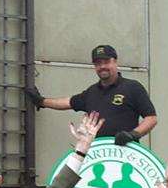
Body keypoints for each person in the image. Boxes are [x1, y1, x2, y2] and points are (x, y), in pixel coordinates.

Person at [25, 44, 157, 145]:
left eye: (106, 62)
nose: (102, 66)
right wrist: (41, 101)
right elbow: (68, 102)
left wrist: (133, 135)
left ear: (115, 62)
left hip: (126, 154)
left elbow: (151, 118)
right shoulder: (91, 92)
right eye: (98, 63)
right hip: (97, 157)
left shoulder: (132, 87)